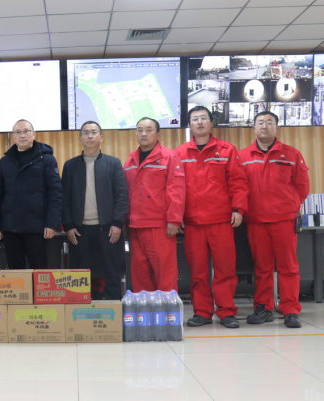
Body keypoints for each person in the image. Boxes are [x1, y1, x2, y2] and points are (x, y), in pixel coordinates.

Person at [175, 106, 249, 329]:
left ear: (211, 122)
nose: (199, 122)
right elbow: (175, 188)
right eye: (195, 119)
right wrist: (177, 215)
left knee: (225, 269)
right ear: (189, 125)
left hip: (221, 221)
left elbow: (238, 181)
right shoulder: (179, 153)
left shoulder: (226, 150)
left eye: (203, 118)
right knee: (198, 272)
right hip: (192, 223)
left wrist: (238, 209)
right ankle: (202, 312)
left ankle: (227, 312)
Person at [239, 111, 310, 328]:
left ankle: (290, 310)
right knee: (262, 268)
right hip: (256, 221)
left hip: (284, 220)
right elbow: (239, 187)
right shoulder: (243, 156)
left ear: (277, 128)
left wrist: (289, 205)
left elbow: (302, 187)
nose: (265, 126)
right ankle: (263, 308)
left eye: (270, 122)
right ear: (253, 128)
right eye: (260, 122)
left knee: (288, 267)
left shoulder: (291, 154)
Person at [61, 121, 128, 300]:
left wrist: (117, 223)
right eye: (86, 133)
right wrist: (68, 225)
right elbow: (64, 198)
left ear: (101, 137)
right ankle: (81, 310)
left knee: (112, 272)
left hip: (109, 229)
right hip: (79, 230)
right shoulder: (70, 166)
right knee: (80, 275)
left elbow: (122, 195)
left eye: (94, 132)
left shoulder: (113, 163)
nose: (90, 136)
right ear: (80, 138)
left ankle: (114, 308)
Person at [123, 117, 185, 292]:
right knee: (140, 278)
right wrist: (125, 221)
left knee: (165, 276)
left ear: (158, 134)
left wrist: (174, 220)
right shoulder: (130, 162)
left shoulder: (169, 157)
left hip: (160, 228)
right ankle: (145, 310)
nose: (143, 134)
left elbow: (176, 190)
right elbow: (126, 195)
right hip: (135, 228)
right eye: (140, 130)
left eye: (148, 130)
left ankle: (167, 310)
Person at [0, 119, 62, 269]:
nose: (22, 135)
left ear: (34, 134)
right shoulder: (5, 162)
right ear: (13, 136)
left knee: (39, 271)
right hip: (10, 228)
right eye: (18, 132)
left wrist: (52, 224)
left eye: (26, 131)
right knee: (15, 273)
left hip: (37, 228)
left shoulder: (47, 159)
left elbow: (55, 193)